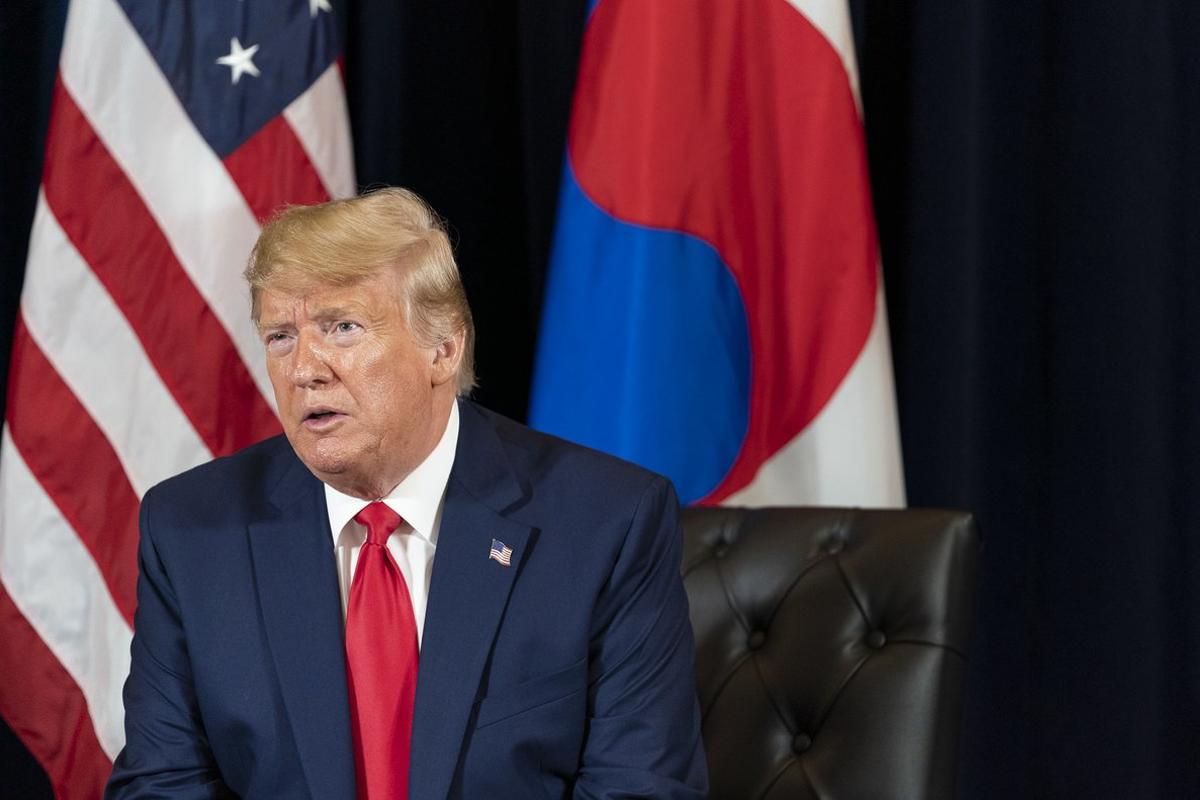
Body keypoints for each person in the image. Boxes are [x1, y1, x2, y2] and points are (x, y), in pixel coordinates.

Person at [106, 188, 708, 799]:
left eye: (342, 328)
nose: (303, 369)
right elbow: (161, 784)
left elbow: (640, 786)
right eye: (281, 336)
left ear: (443, 348)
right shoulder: (193, 531)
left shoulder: (605, 523)